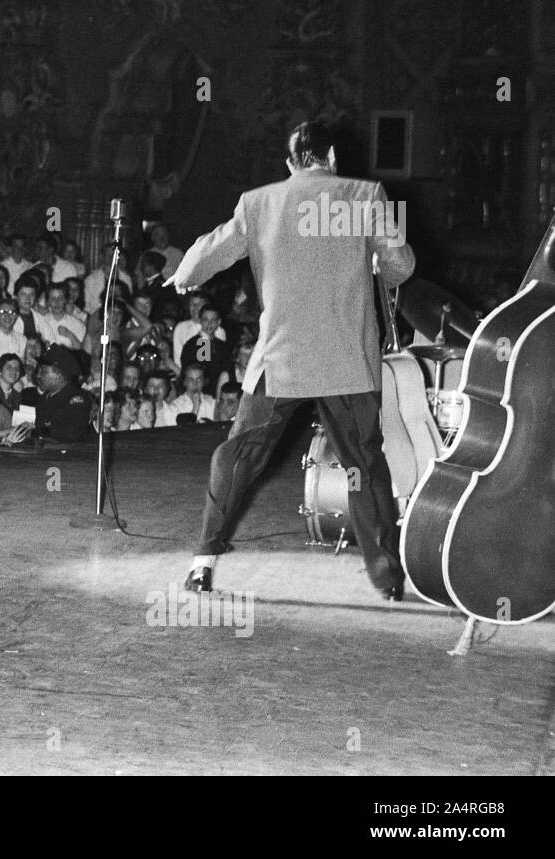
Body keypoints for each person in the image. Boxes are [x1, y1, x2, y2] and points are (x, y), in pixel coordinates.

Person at [165, 119, 415, 599]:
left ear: (290, 164)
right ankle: (387, 578)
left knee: (238, 456)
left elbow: (202, 261)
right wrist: (378, 262)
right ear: (334, 158)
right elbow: (401, 266)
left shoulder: (258, 203)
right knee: (363, 464)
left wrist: (182, 276)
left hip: (282, 359)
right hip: (347, 360)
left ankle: (202, 562)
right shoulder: (367, 194)